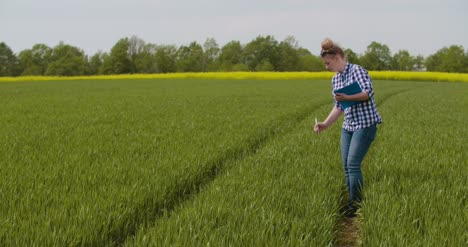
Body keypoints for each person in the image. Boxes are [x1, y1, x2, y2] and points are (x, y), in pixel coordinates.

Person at [314, 38, 382, 218]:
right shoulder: (336, 80)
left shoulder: (357, 71)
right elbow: (339, 106)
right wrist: (325, 124)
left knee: (353, 164)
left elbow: (367, 94)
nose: (326, 67)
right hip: (348, 125)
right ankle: (352, 200)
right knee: (346, 166)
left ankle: (355, 204)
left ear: (337, 57)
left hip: (365, 124)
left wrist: (347, 98)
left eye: (328, 63)